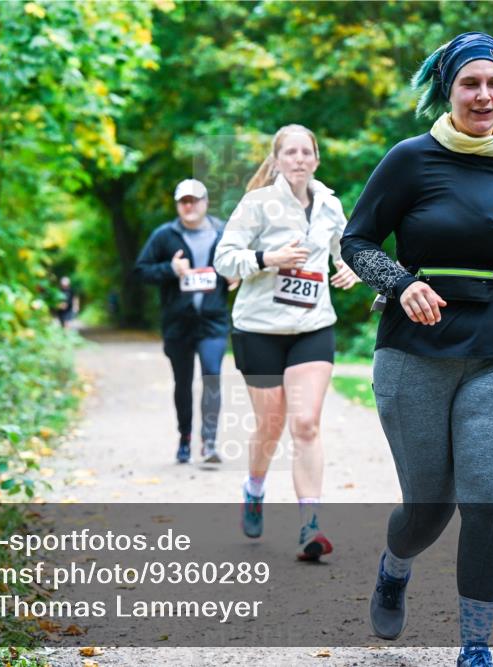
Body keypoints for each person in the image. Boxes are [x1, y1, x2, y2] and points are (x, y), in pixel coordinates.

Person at [341, 33, 493, 667]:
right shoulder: (410, 159)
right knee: (429, 508)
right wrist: (402, 285)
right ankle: (394, 566)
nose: (484, 96)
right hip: (414, 355)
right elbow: (357, 242)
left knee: (486, 496)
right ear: (449, 89)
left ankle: (476, 646)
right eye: (470, 84)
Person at [213, 124, 360, 561]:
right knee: (272, 424)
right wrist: (267, 259)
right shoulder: (257, 204)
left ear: (316, 159)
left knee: (306, 423)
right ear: (276, 160)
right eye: (289, 152)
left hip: (313, 326)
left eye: (305, 152)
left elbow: (348, 249)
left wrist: (350, 268)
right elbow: (224, 259)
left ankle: (310, 526)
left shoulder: (330, 205)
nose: (298, 159)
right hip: (258, 329)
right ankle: (254, 488)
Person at [134, 179, 233, 464]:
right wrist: (170, 269)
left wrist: (235, 274)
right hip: (177, 322)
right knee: (183, 382)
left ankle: (210, 442)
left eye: (195, 200)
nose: (189, 206)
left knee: (212, 376)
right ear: (178, 205)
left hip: (212, 321)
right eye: (183, 201)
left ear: (205, 202)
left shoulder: (223, 232)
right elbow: (140, 270)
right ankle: (185, 438)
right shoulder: (165, 235)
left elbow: (242, 261)